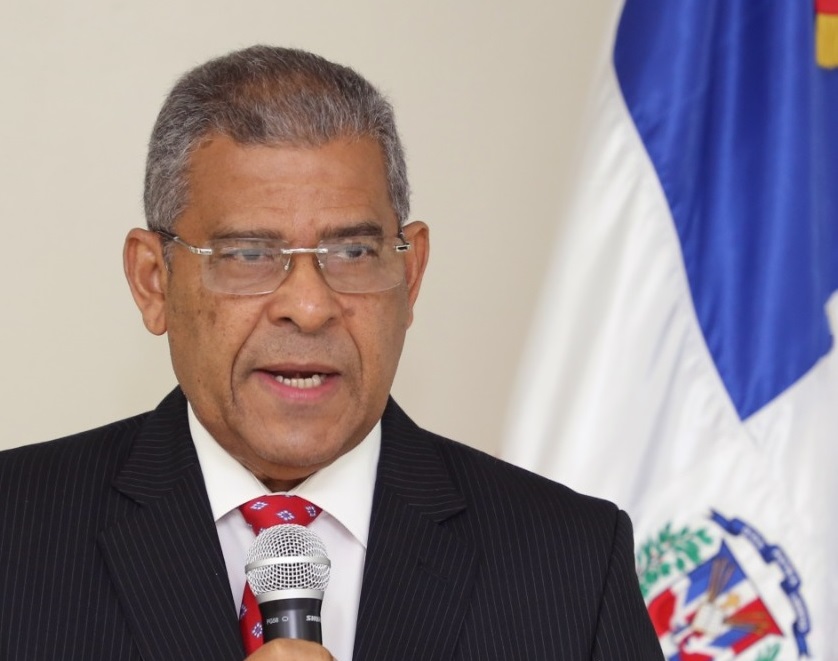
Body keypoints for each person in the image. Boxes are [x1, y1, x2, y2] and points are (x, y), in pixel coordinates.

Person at [0, 46, 663, 660]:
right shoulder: (16, 532)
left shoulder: (573, 561)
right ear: (154, 281)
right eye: (249, 254)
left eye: (352, 252)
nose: (310, 306)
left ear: (410, 275)